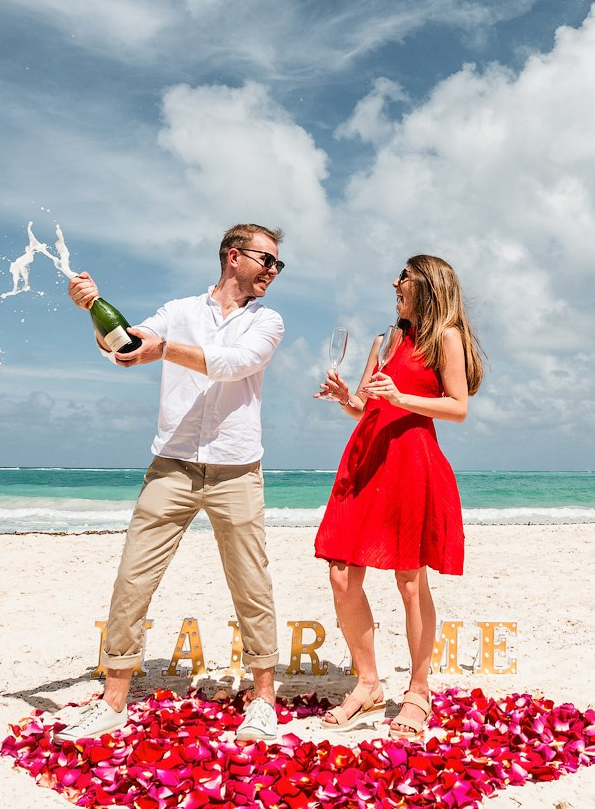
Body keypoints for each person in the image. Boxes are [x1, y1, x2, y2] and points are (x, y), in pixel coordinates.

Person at [58, 224, 287, 743]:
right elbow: (123, 347)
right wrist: (94, 309)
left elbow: (235, 364)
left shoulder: (267, 320)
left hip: (235, 468)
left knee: (251, 582)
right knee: (133, 577)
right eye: (267, 261)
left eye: (277, 264)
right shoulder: (177, 310)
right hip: (172, 466)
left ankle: (264, 699)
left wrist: (162, 351)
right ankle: (114, 698)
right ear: (234, 257)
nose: (273, 271)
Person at [312, 254, 485, 740]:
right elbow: (368, 407)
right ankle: (367, 684)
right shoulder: (384, 340)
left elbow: (458, 408)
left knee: (410, 580)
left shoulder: (445, 338)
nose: (394, 282)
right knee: (341, 574)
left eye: (404, 277)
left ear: (427, 285)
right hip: (365, 460)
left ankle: (418, 689)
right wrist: (347, 397)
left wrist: (402, 398)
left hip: (412, 462)